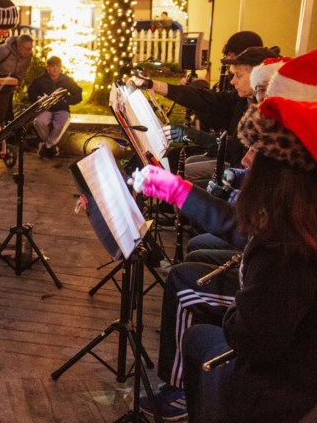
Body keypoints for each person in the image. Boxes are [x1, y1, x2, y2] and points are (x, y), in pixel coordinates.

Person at [134, 49, 317, 422]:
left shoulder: (289, 240)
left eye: (259, 156)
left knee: (197, 327)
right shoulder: (298, 217)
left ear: (283, 170)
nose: (249, 160)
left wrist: (236, 309)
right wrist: (177, 191)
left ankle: (182, 395)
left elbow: (254, 339)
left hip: (284, 388)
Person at [130, 44, 278, 188]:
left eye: (238, 75)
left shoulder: (268, 115)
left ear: (257, 78)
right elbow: (206, 100)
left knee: (183, 173)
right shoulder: (242, 99)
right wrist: (155, 85)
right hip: (230, 160)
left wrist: (193, 135)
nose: (233, 81)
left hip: (241, 173)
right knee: (187, 162)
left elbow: (236, 151)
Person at [28, 56, 83, 159]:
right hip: (45, 109)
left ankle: (46, 146)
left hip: (62, 109)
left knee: (62, 123)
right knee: (39, 121)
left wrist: (67, 101)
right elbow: (31, 93)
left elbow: (78, 94)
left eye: (58, 66)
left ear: (61, 67)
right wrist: (39, 99)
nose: (55, 69)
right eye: (52, 66)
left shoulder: (66, 80)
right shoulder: (40, 80)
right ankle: (51, 147)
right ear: (47, 67)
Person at [0, 33, 33, 128]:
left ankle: (5, 133)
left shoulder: (28, 56)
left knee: (7, 111)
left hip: (9, 86)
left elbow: (23, 71)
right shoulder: (4, 50)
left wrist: (19, 82)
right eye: (27, 49)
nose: (30, 51)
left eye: (31, 48)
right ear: (19, 47)